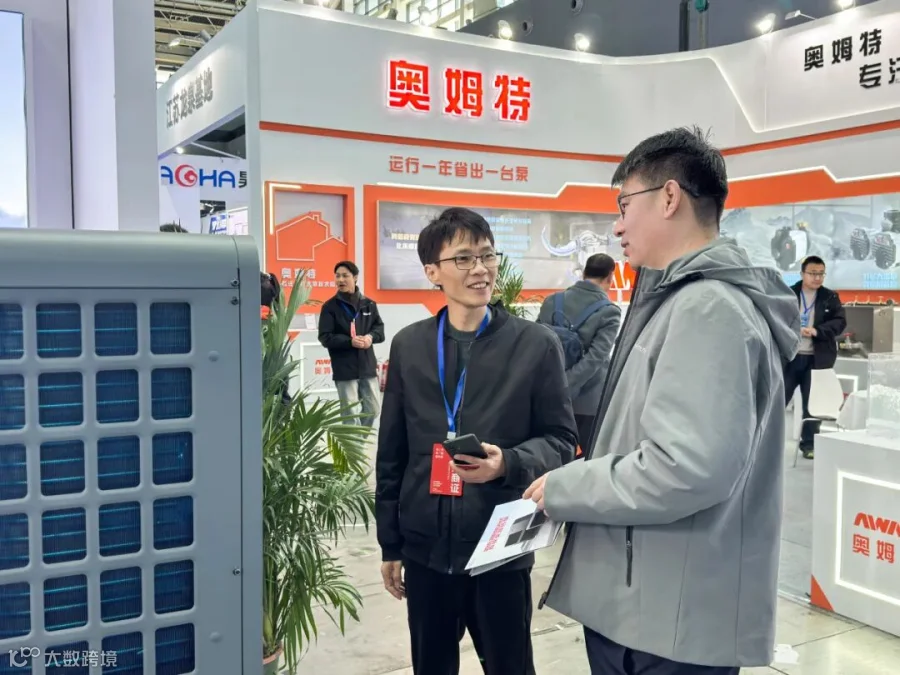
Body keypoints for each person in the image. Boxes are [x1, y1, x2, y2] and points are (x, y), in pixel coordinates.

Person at [524, 127, 801, 674]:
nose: (618, 225)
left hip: (665, 622)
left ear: (669, 197)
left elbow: (686, 468)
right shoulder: (684, 299)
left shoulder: (707, 308)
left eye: (625, 204)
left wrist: (567, 487)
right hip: (654, 605)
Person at [376, 207, 578, 675]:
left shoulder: (535, 345)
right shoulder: (410, 345)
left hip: (500, 549)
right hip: (426, 552)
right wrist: (391, 543)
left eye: (487, 256)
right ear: (433, 272)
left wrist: (507, 462)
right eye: (464, 258)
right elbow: (393, 452)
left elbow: (562, 440)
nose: (481, 269)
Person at [537, 253, 621, 452]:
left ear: (584, 273)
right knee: (592, 457)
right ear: (610, 277)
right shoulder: (609, 312)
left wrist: (556, 386)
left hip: (549, 398)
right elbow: (596, 358)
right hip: (588, 403)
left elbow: (536, 345)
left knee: (552, 455)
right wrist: (567, 384)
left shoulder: (552, 302)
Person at [784, 255, 846, 459]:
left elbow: (840, 322)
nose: (817, 278)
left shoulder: (830, 297)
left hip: (817, 359)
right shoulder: (788, 294)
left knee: (813, 405)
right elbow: (777, 319)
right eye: (813, 273)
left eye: (821, 274)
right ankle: (766, 440)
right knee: (777, 400)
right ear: (802, 273)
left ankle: (809, 445)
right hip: (790, 357)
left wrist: (817, 331)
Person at [317, 261, 385, 427]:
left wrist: (370, 337)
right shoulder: (330, 307)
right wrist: (350, 342)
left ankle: (359, 439)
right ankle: (353, 444)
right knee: (350, 414)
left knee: (373, 409)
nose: (340, 279)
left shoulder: (369, 304)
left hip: (367, 366)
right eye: (337, 276)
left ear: (355, 277)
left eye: (345, 276)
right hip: (345, 368)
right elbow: (325, 337)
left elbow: (379, 330)